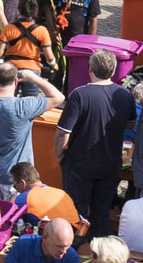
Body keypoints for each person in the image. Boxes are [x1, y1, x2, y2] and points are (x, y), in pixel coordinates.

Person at [55, 51, 137, 232]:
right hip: (110, 164)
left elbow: (62, 133)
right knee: (101, 213)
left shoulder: (79, 95)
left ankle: (76, 248)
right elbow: (131, 125)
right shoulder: (125, 95)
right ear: (114, 70)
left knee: (76, 214)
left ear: (90, 68)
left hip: (79, 165)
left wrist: (59, 156)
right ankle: (98, 252)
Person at [0, 63, 62, 187]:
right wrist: (34, 78)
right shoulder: (23, 106)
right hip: (17, 180)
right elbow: (58, 97)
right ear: (15, 81)